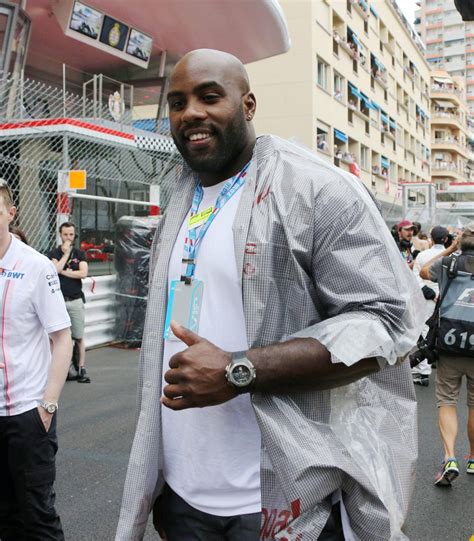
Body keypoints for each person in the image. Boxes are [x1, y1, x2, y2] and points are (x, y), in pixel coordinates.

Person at [117, 49, 424, 540]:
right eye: (177, 103)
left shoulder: (317, 188)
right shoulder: (181, 193)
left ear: (249, 104)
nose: (190, 112)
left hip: (282, 502)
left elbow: (388, 323)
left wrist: (240, 369)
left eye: (209, 96)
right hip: (182, 496)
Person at [0, 180, 73, 539]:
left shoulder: (35, 265)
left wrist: (48, 405)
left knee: (37, 515)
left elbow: (62, 339)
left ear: (11, 214)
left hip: (27, 413)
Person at [420, 226, 474, 486]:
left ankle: (450, 457)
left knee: (447, 400)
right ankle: (473, 458)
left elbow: (421, 272)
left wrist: (451, 250)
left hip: (450, 342)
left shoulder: (449, 263)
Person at [49, 222, 90, 383]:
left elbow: (83, 273)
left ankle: (81, 367)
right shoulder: (53, 252)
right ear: (60, 234)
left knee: (78, 336)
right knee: (57, 337)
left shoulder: (80, 253)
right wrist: (65, 256)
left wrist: (64, 271)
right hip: (58, 301)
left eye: (71, 234)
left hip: (75, 300)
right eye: (65, 234)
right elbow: (54, 270)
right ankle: (59, 370)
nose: (68, 238)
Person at [411, 225, 450, 386]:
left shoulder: (423, 255)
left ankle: (423, 371)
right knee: (446, 332)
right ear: (446, 239)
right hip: (447, 299)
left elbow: (415, 279)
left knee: (425, 332)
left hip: (426, 300)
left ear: (431, 239)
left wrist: (432, 295)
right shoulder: (453, 257)